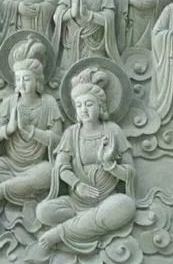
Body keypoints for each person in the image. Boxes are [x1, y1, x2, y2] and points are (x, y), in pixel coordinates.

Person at [36, 67, 136, 253]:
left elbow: (130, 172)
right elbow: (61, 167)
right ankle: (85, 224)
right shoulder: (71, 133)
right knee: (43, 212)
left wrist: (109, 165)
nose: (84, 109)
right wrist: (77, 185)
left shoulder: (113, 130)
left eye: (89, 104)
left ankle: (60, 233)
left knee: (125, 206)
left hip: (107, 200)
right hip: (76, 202)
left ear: (101, 106)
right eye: (79, 105)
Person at [0, 36, 62, 207]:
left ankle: (6, 188)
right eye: (18, 79)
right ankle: (24, 188)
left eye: (27, 79)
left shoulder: (48, 103)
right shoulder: (9, 102)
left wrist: (31, 131)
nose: (22, 84)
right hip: (9, 164)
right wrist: (9, 129)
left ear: (38, 80)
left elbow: (57, 140)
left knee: (50, 173)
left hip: (37, 165)